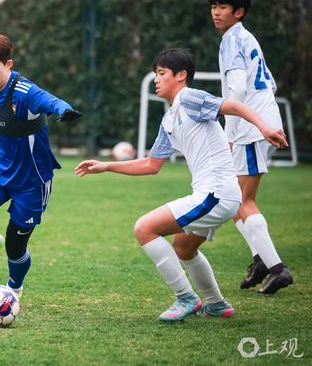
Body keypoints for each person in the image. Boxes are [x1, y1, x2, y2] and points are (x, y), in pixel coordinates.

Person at [75, 48, 287, 322]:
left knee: (144, 228)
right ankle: (217, 304)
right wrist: (106, 166)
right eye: (155, 74)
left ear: (181, 75)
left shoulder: (190, 98)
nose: (156, 79)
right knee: (184, 248)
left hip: (215, 194)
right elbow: (151, 164)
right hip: (215, 195)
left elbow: (234, 107)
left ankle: (185, 297)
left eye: (161, 73)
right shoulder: (170, 118)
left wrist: (264, 127)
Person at [0, 30, 81, 299]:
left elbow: (50, 100)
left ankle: (14, 290)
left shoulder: (25, 92)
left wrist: (64, 110)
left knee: (16, 245)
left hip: (31, 179)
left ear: (8, 64)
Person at [209, 0, 293, 294]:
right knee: (234, 201)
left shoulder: (233, 40)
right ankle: (261, 260)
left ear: (239, 12)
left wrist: (231, 133)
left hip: (249, 128)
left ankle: (277, 269)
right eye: (213, 6)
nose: (216, 12)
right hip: (258, 123)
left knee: (242, 201)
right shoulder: (245, 37)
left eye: (223, 7)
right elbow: (269, 83)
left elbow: (239, 89)